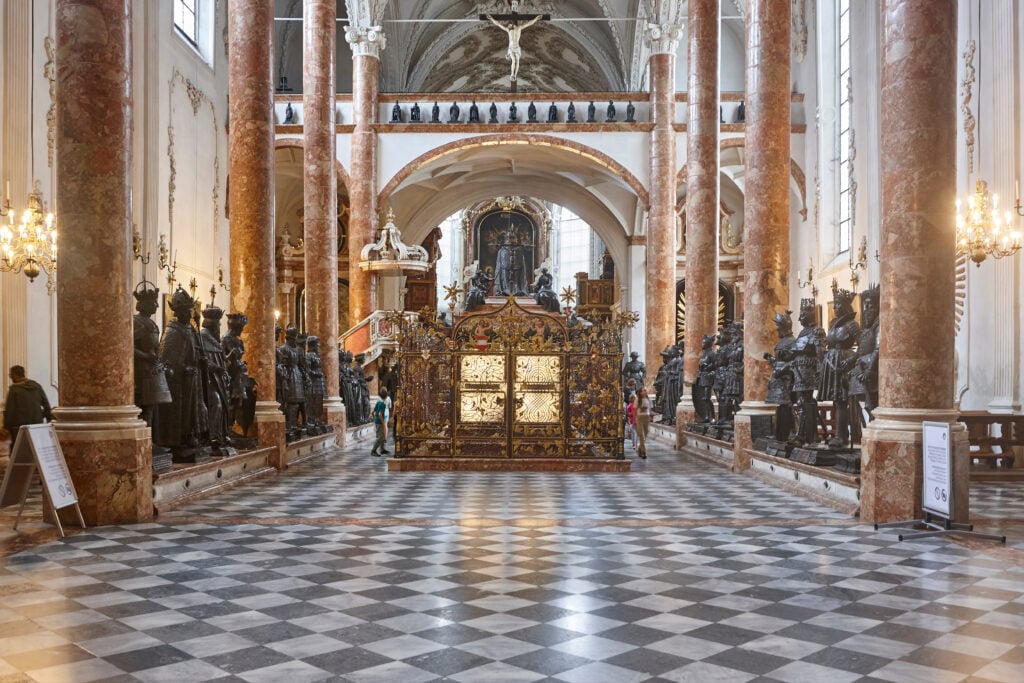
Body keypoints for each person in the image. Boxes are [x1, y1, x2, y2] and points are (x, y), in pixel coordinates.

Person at [3, 365, 52, 448]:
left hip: (19, 428)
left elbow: (10, 411)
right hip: (37, 425)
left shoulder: (14, 390)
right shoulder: (36, 386)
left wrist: (6, 427)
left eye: (10, 375)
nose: (10, 377)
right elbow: (46, 405)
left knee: (19, 452)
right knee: (36, 449)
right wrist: (47, 418)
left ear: (15, 374)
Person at [486, 13, 543, 82]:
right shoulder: (508, 30)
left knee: (517, 60)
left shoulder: (519, 28)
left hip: (517, 47)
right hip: (511, 48)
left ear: (512, 24)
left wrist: (535, 19)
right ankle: (512, 74)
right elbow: (498, 24)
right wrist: (492, 19)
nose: (507, 25)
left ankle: (515, 75)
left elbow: (528, 24)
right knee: (513, 60)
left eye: (508, 24)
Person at [494, 225, 529, 296]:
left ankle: (517, 290)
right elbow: (499, 264)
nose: (511, 240)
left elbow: (522, 263)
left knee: (516, 280)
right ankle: (505, 290)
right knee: (505, 280)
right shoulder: (502, 250)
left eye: (513, 238)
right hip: (505, 268)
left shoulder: (519, 249)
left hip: (517, 268)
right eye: (510, 238)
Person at [370, 387, 389, 456]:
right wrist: (383, 423)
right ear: (386, 396)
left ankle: (382, 449)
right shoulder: (383, 404)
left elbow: (373, 412)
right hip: (380, 421)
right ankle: (373, 450)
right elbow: (380, 414)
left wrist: (375, 418)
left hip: (377, 420)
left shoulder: (378, 403)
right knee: (380, 437)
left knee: (381, 435)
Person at [636, 387, 652, 458]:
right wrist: (634, 420)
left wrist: (655, 414)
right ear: (640, 392)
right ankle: (643, 452)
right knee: (641, 435)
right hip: (640, 418)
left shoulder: (649, 400)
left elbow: (650, 410)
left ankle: (640, 449)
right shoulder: (637, 400)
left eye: (646, 390)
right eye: (644, 390)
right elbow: (634, 411)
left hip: (647, 418)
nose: (645, 392)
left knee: (645, 435)